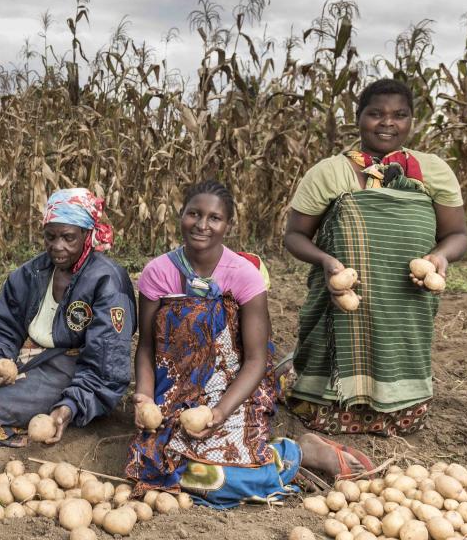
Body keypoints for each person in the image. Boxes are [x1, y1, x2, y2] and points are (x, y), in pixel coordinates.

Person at [126, 181, 371, 508]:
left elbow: (256, 360)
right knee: (154, 469)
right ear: (180, 216)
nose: (202, 225)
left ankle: (298, 452)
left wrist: (218, 413)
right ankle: (284, 459)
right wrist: (144, 397)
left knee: (222, 478)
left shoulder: (243, 275)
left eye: (214, 218)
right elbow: (146, 348)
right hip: (174, 391)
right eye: (193, 214)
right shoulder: (158, 272)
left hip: (233, 389)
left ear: (227, 225)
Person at [282, 78, 467, 436]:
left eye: (399, 115)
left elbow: (457, 234)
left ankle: (400, 410)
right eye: (376, 114)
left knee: (401, 361)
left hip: (406, 303)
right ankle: (324, 409)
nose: (388, 122)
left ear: (412, 121)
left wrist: (440, 257)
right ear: (358, 118)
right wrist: (326, 262)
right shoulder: (330, 172)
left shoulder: (434, 171)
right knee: (319, 397)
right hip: (341, 302)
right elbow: (294, 235)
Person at [0, 188, 136, 447]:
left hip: (72, 369)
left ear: (86, 235)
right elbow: (5, 328)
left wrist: (70, 405)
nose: (58, 247)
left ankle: (52, 406)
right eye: (51, 236)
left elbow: (106, 364)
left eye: (68, 238)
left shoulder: (107, 281)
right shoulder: (30, 274)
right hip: (28, 358)